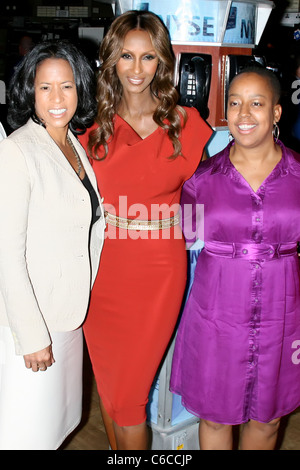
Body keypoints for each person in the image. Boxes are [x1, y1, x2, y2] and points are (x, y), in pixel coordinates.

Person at [78, 10, 212, 450]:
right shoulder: (94, 132)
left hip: (158, 274)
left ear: (163, 63)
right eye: (127, 56)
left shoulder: (187, 126)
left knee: (132, 400)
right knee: (112, 396)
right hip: (102, 274)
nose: (137, 69)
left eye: (148, 57)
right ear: (112, 60)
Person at [170, 66, 300, 450]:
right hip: (217, 313)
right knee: (213, 416)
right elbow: (184, 237)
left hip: (284, 309)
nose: (244, 115)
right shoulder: (201, 181)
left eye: (256, 103)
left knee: (269, 419)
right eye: (235, 103)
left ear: (276, 112)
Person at [0, 40, 105, 450]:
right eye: (45, 88)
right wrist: (31, 336)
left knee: (60, 423)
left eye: (66, 86)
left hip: (68, 313)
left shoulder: (73, 144)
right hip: (35, 322)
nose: (57, 98)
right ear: (29, 91)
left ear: (80, 89)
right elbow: (6, 251)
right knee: (28, 432)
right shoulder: (17, 151)